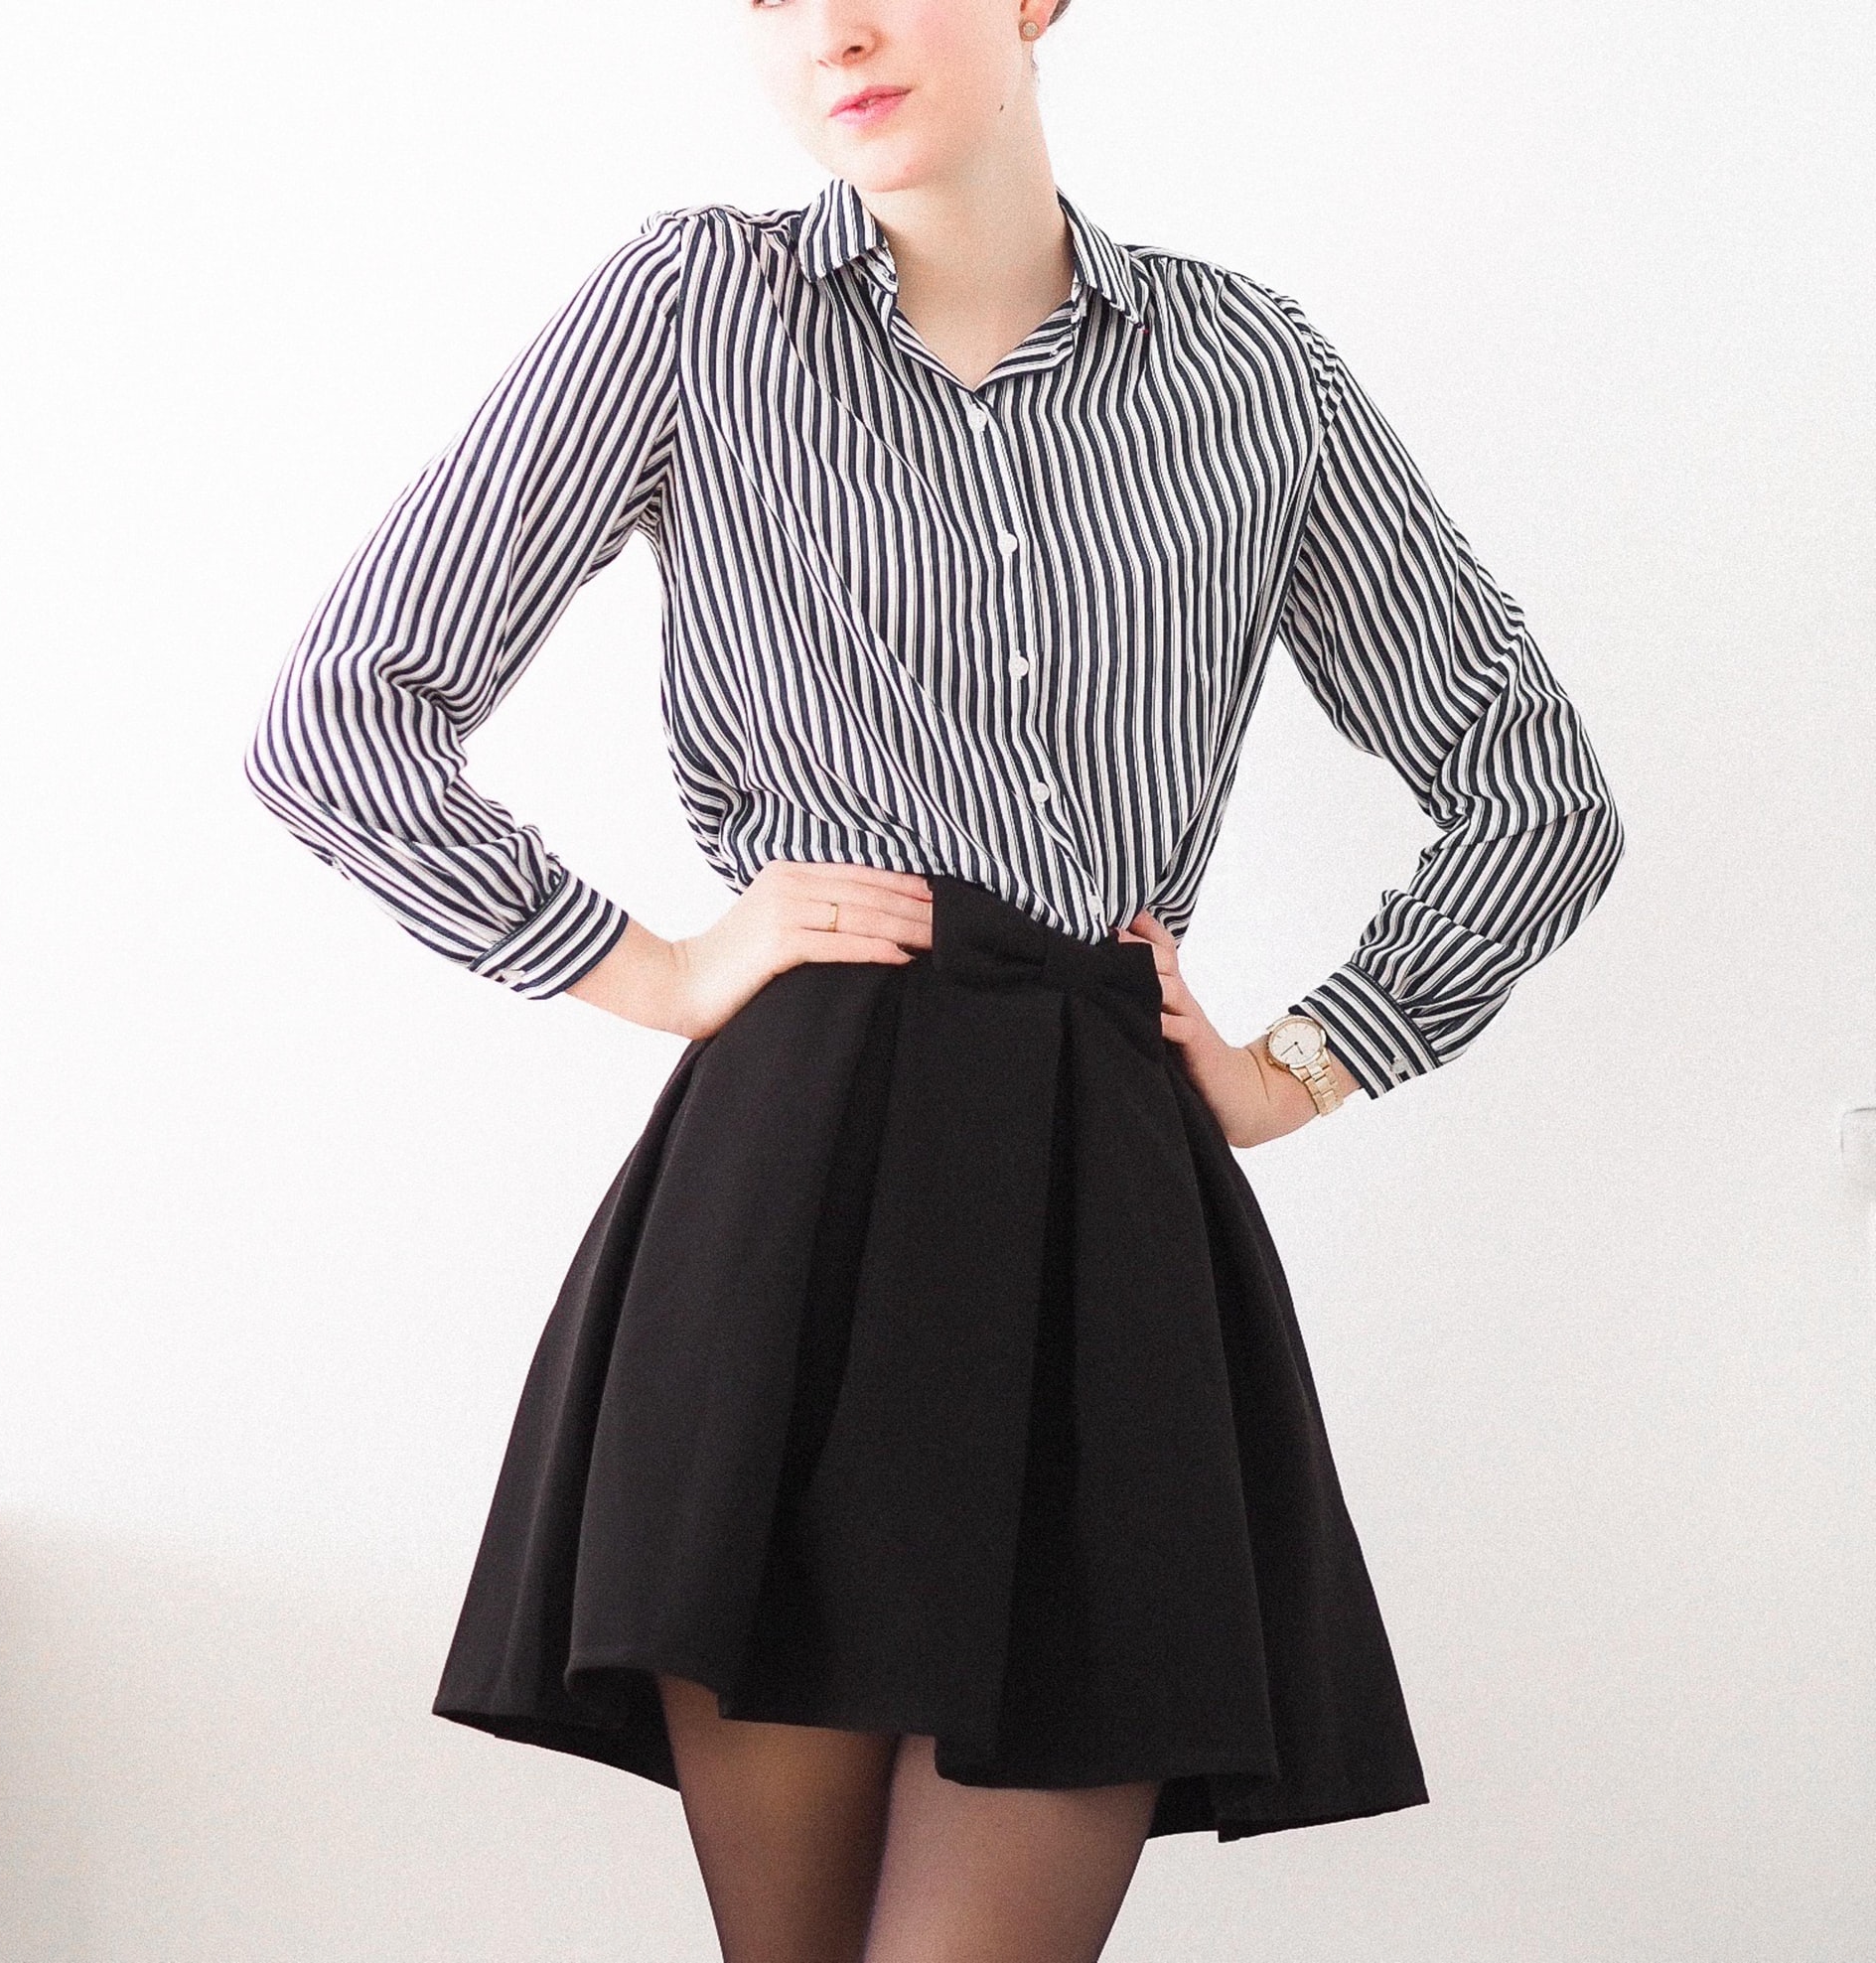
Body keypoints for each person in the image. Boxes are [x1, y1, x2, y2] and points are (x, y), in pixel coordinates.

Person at [244, 2, 1625, 1957]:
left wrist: (1301, 1063)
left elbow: (1537, 790)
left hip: (1099, 1201)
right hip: (795, 1193)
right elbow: (343, 715)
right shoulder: (693, 308)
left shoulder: (1253, 371)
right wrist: (651, 967)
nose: (836, 28)